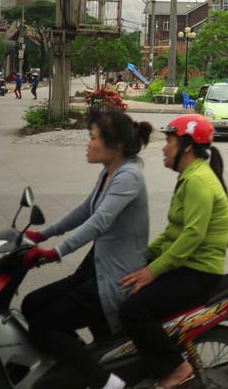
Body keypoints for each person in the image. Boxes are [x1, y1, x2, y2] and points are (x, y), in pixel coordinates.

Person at [21, 109, 152, 389]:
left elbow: (98, 222)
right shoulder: (111, 172)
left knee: (44, 325)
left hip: (116, 278)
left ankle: (105, 382)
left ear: (114, 145)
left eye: (92, 137)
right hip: (97, 269)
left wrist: (54, 253)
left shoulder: (128, 176)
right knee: (31, 304)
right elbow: (85, 209)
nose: (88, 143)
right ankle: (80, 361)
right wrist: (42, 235)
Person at [119, 114, 228, 389]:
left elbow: (191, 237)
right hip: (188, 266)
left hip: (198, 271)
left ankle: (177, 368)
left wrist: (151, 271)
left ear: (187, 146)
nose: (163, 147)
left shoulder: (198, 182)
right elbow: (172, 234)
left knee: (134, 309)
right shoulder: (190, 176)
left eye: (169, 140)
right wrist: (142, 257)